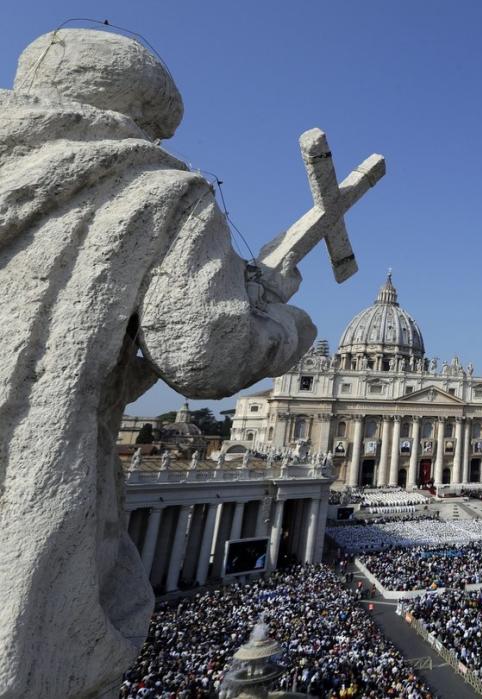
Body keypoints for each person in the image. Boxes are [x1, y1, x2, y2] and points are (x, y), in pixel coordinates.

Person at [0, 28, 314, 698]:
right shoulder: (154, 187)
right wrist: (285, 323)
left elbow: (95, 347)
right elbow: (204, 355)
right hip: (37, 483)